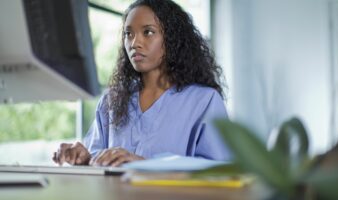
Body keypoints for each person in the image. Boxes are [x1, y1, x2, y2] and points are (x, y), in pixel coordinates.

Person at [52, 0, 230, 167]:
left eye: (148, 32)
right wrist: (85, 158)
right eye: (129, 34)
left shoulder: (204, 101)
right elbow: (98, 159)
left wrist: (144, 164)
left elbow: (218, 171)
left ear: (172, 39)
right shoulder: (111, 100)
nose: (135, 43)